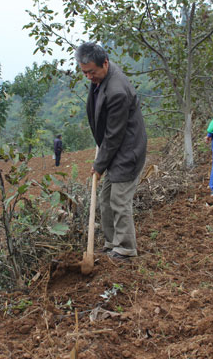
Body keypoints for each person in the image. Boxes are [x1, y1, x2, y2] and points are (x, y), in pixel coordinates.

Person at [76, 42, 147, 261]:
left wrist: (99, 166)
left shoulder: (117, 90)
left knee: (118, 200)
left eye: (91, 72)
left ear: (105, 63)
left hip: (127, 150)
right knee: (104, 198)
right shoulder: (100, 76)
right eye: (85, 72)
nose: (88, 77)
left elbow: (114, 135)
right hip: (114, 148)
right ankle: (111, 244)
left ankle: (125, 248)